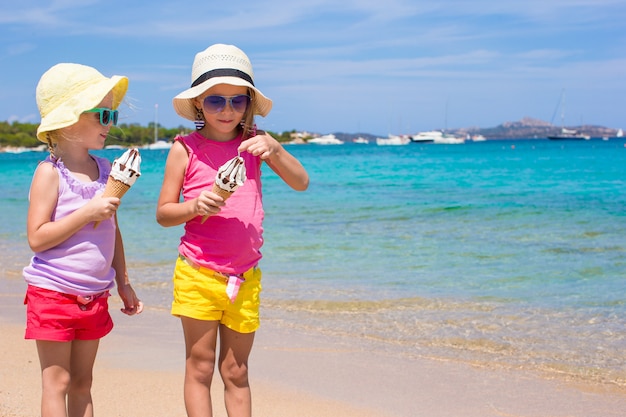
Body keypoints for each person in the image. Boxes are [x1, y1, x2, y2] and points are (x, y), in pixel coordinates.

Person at [156, 44, 309, 417]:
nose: (227, 110)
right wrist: (195, 206)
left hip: (245, 277)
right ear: (197, 106)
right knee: (201, 365)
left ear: (249, 104)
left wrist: (274, 149)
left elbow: (301, 182)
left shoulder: (256, 145)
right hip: (198, 274)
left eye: (237, 101)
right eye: (215, 102)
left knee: (236, 370)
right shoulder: (185, 150)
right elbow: (163, 213)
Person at [23, 63, 143, 417]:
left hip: (95, 294)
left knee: (82, 383)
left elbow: (113, 231)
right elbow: (36, 237)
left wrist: (123, 282)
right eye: (103, 114)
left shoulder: (107, 171)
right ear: (69, 120)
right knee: (57, 382)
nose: (110, 123)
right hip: (52, 293)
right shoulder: (50, 173)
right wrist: (87, 213)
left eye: (113, 115)